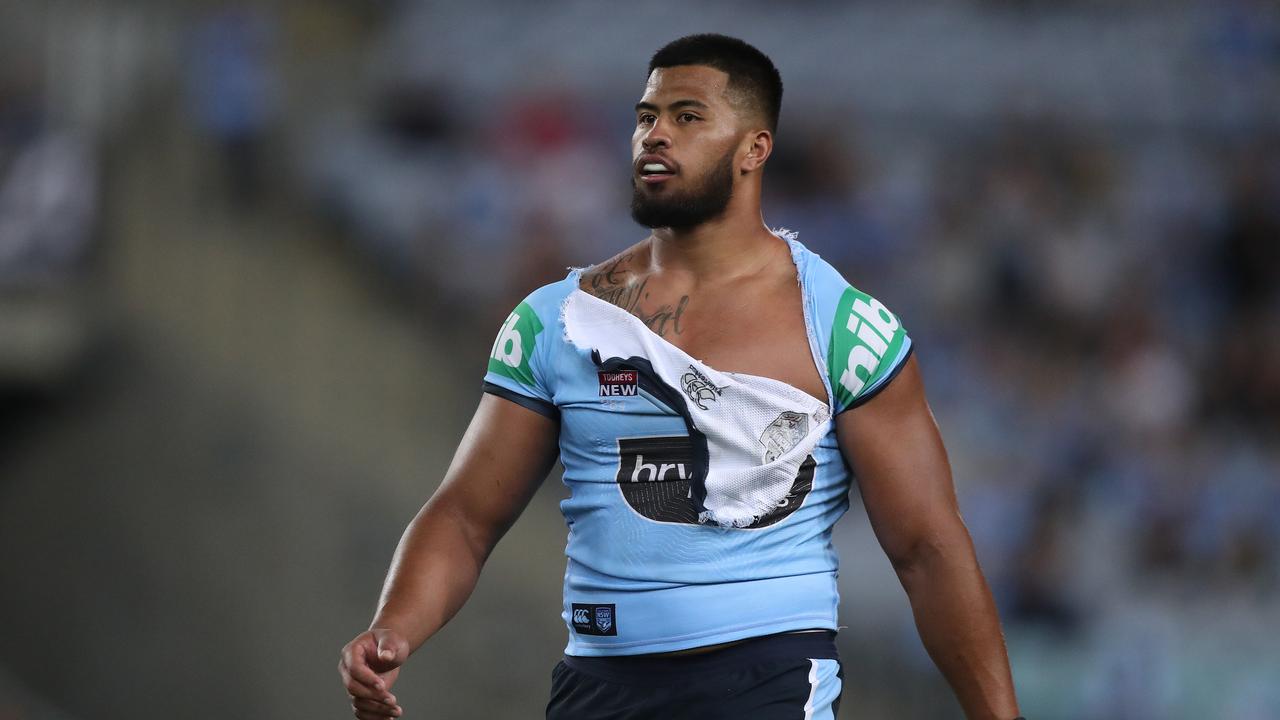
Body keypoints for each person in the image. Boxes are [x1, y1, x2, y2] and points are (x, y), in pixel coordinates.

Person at [339, 33, 1022, 720]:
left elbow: (928, 549)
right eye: (645, 117)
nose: (654, 135)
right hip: (596, 685)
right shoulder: (558, 322)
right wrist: (394, 626)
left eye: (687, 117)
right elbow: (464, 517)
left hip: (768, 683)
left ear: (755, 149)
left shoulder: (843, 330)